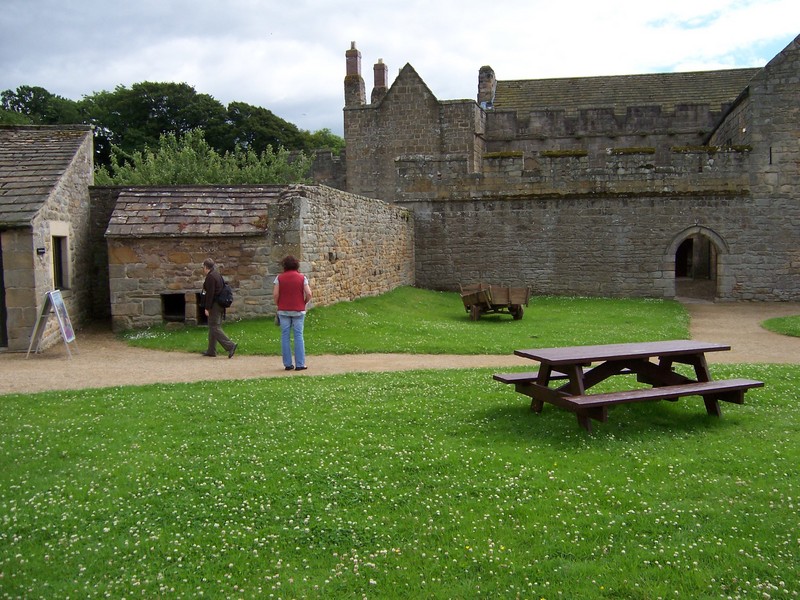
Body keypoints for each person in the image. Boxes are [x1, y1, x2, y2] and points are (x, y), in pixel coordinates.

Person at [273, 255, 312, 371]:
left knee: (285, 336)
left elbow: (275, 294)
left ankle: (287, 364)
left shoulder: (279, 278)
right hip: (298, 310)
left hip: (283, 310)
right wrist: (303, 303)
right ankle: (300, 364)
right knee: (298, 336)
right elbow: (309, 293)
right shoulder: (302, 277)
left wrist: (278, 304)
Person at [201, 258, 238, 358]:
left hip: (215, 305)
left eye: (203, 267)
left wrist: (207, 308)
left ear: (205, 267)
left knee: (214, 327)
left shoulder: (211, 277)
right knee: (213, 326)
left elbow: (210, 294)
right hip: (220, 304)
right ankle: (211, 350)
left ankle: (230, 346)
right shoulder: (217, 275)